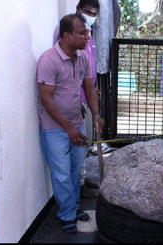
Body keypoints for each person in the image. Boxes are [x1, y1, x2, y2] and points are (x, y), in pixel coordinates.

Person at [37, 13, 105, 234]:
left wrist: (95, 115)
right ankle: (67, 213)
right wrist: (68, 128)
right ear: (67, 36)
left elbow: (89, 89)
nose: (88, 36)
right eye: (83, 32)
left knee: (75, 171)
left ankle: (74, 209)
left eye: (88, 32)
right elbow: (45, 99)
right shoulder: (48, 60)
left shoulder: (83, 57)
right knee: (62, 174)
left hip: (76, 124)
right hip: (54, 128)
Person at [53, 0, 100, 199]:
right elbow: (68, 71)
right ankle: (78, 185)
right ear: (79, 9)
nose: (91, 15)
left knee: (83, 144)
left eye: (94, 13)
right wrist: (78, 100)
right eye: (88, 12)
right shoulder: (70, 33)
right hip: (74, 98)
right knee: (76, 145)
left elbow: (87, 66)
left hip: (87, 93)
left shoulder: (88, 32)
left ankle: (81, 177)